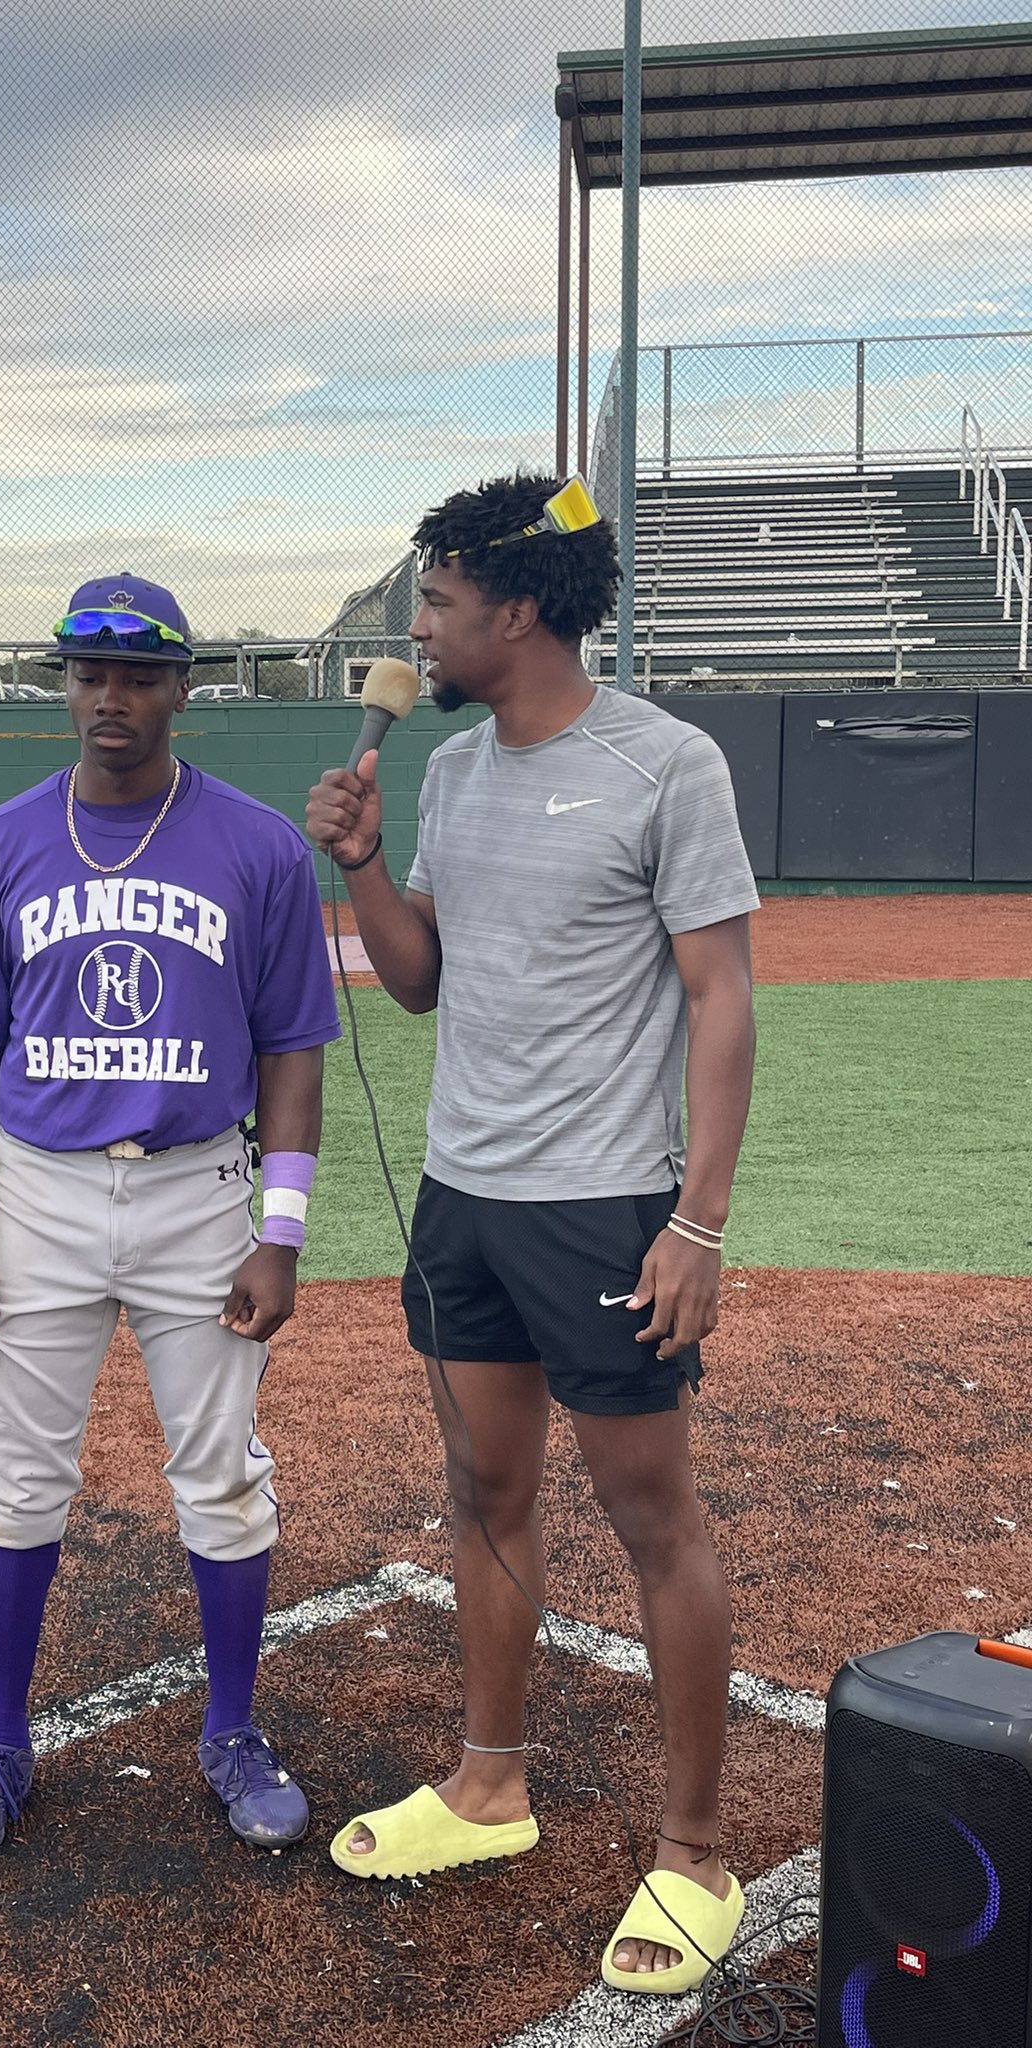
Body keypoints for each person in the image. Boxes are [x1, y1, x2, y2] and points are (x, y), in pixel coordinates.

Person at [304, 474, 759, 1997]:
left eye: (434, 602)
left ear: (514, 608)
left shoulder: (664, 765)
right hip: (466, 1193)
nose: (415, 627)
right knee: (484, 1482)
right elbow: (420, 981)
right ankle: (489, 1783)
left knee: (651, 1515)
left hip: (609, 1205)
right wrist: (364, 861)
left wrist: (698, 1219)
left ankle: (695, 1849)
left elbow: (720, 997)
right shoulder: (452, 775)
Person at [0, 574, 341, 1870]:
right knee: (20, 1475)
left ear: (181, 687)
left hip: (199, 1189)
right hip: (40, 1194)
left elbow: (295, 1052)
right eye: (90, 676)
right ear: (66, 685)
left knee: (219, 1472)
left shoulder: (257, 845)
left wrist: (284, 1231)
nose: (113, 698)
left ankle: (230, 1732)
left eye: (141, 675)